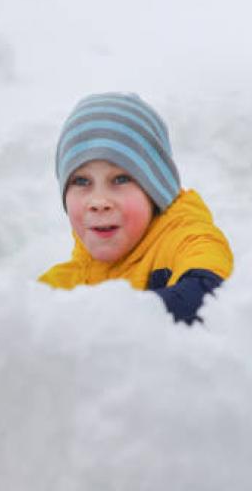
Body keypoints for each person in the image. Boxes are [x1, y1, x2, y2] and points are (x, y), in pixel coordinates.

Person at [39, 92, 233, 325]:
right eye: (81, 181)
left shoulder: (186, 239)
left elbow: (212, 294)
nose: (99, 201)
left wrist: (104, 322)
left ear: (156, 189)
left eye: (120, 179)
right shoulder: (66, 284)